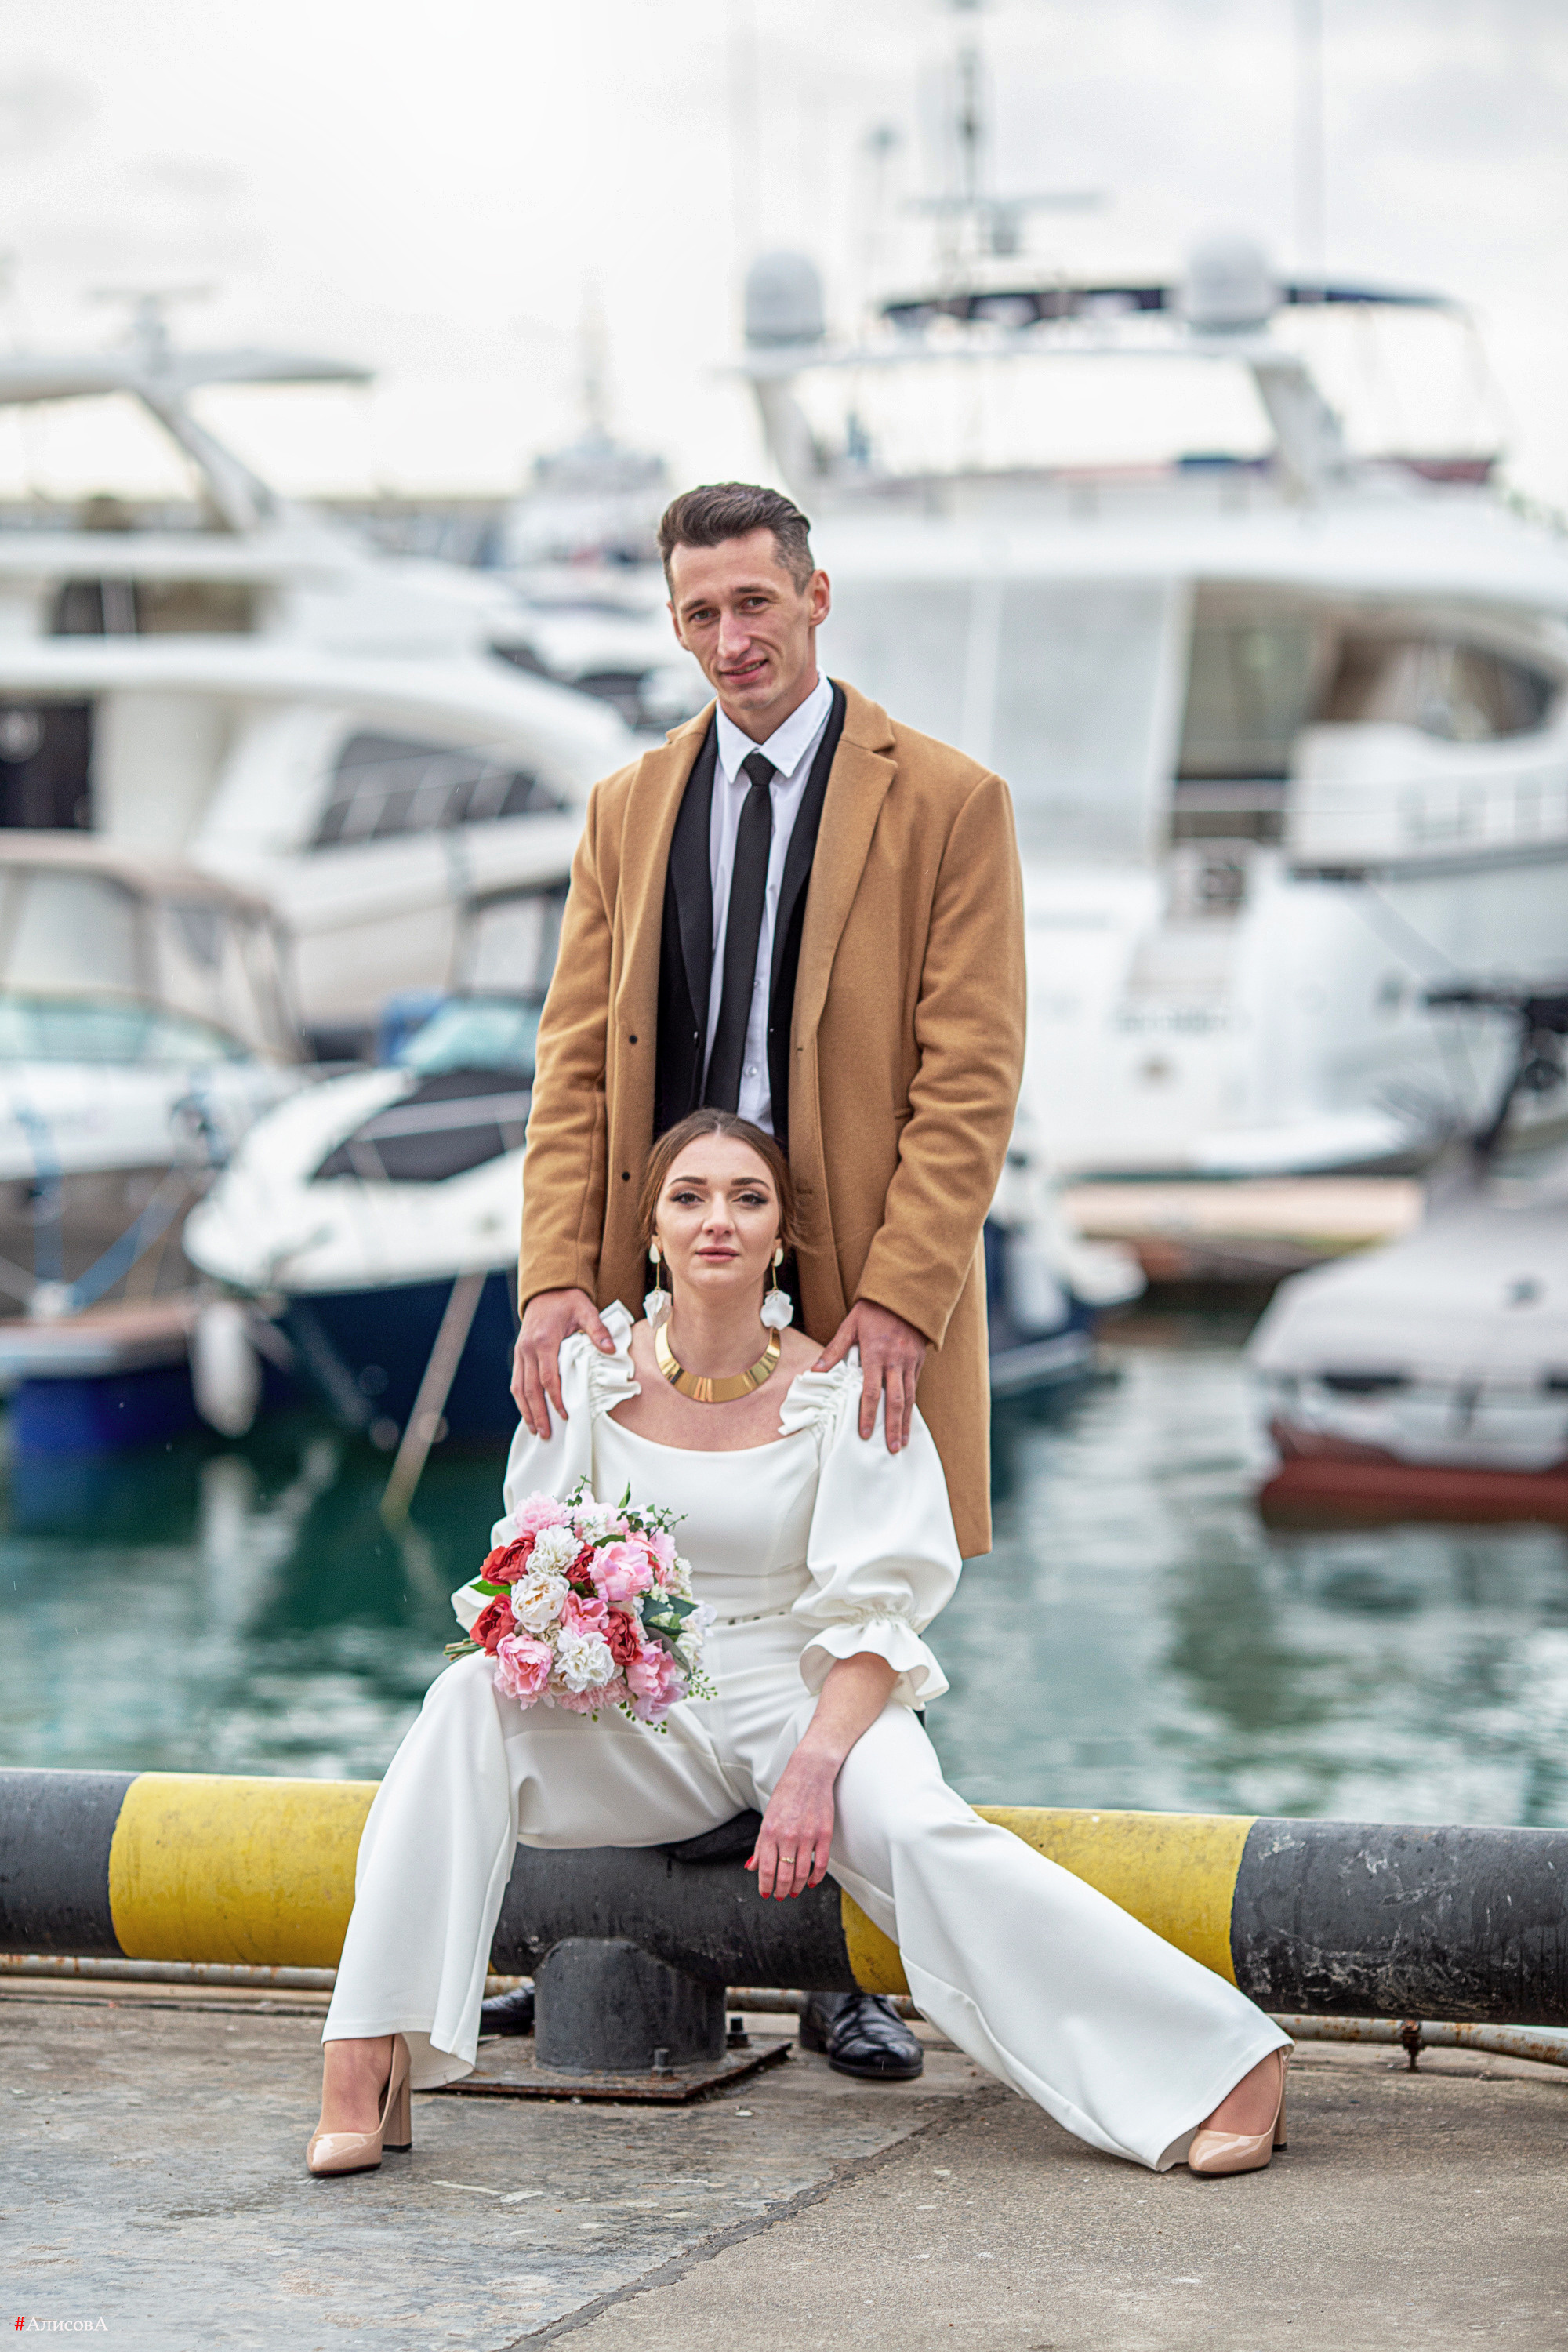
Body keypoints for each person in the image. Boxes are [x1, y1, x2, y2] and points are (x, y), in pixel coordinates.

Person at [309, 1114, 1292, 2182]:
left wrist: (816, 1769)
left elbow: (879, 1617)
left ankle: (1223, 2064)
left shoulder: (844, 1389)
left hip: (811, 1691)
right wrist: (557, 1632)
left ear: (781, 1236)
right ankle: (364, 2055)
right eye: (689, 1197)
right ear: (651, 1229)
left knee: (920, 1833)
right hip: (648, 1711)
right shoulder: (585, 1381)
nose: (717, 1221)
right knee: (464, 1701)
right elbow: (532, 1556)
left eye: (748, 1199)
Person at [508, 477, 1026, 2074]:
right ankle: (593, 1932)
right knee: (609, 1586)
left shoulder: (948, 801)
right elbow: (572, 1065)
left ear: (814, 597)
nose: (730, 639)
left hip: (854, 1274)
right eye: (699, 613)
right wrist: (554, 1276)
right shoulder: (627, 805)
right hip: (658, 1262)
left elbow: (970, 1077)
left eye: (753, 603)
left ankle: (837, 1970)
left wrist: (904, 1293)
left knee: (849, 1600)